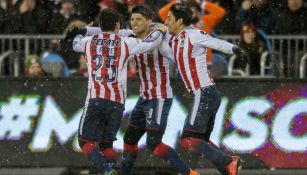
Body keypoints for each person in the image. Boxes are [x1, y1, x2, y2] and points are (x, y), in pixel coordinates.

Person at [68, 8, 167, 175]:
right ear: (117, 25)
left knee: (85, 141)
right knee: (107, 143)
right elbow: (151, 44)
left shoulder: (89, 41)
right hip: (117, 102)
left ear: (99, 25)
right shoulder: (126, 43)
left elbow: (74, 43)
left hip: (96, 99)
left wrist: (82, 30)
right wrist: (159, 31)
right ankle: (112, 169)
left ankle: (107, 170)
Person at [163, 3, 249, 175]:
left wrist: (236, 49)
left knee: (188, 140)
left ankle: (229, 160)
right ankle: (228, 169)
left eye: (170, 18)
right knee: (201, 140)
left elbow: (216, 43)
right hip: (206, 94)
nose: (166, 21)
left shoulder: (193, 34)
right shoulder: (174, 38)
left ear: (179, 21)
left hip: (204, 93)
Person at [120, 5, 198, 175]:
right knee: (129, 139)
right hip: (144, 97)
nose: (134, 22)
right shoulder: (134, 36)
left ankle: (190, 174)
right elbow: (111, 31)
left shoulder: (160, 40)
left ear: (149, 21)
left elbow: (175, 57)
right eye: (132, 19)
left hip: (159, 96)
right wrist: (84, 30)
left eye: (139, 19)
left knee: (153, 143)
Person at [159, 0, 226, 65]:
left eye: (193, 12)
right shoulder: (177, 23)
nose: (190, 15)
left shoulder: (205, 21)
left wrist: (202, 3)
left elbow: (221, 12)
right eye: (188, 13)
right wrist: (178, 1)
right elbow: (162, 13)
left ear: (197, 12)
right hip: (184, 64)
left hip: (204, 63)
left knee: (220, 60)